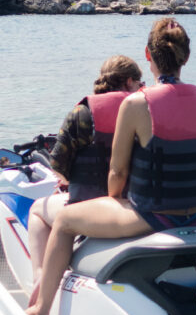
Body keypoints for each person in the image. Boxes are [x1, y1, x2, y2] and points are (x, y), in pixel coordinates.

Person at [27, 17, 196, 315]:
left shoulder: (137, 103)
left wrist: (114, 202)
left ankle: (40, 311)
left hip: (151, 216)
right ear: (186, 56)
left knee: (63, 221)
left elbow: (116, 173)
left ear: (148, 54)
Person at [27, 55, 143, 297]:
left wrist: (69, 180)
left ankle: (39, 276)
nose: (141, 87)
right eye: (139, 82)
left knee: (37, 210)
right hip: (133, 209)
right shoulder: (144, 112)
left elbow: (58, 165)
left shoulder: (82, 114)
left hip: (89, 209)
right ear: (129, 82)